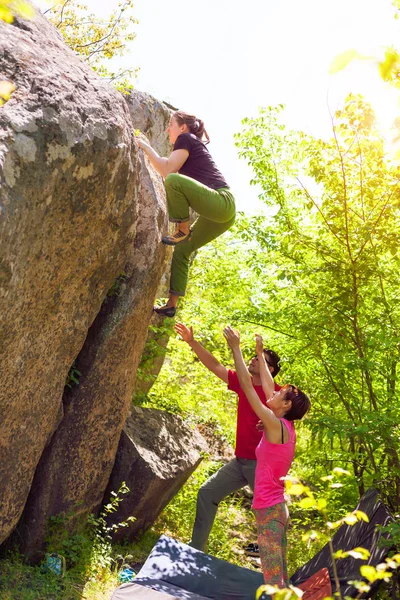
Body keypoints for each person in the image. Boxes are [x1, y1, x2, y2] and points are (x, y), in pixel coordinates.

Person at [174, 321, 281, 553]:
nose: (253, 359)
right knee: (207, 493)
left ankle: (273, 565)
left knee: (267, 514)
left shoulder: (277, 394)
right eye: (253, 357)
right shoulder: (242, 382)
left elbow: (291, 419)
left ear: (269, 369)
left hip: (261, 465)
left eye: (260, 359)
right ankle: (196, 549)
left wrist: (276, 423)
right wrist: (192, 341)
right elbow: (214, 365)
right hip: (240, 462)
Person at [223, 325, 310, 589]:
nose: (272, 392)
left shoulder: (275, 424)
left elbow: (250, 388)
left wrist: (236, 348)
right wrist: (260, 354)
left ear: (285, 406)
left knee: (274, 580)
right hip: (274, 509)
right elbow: (268, 384)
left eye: (279, 395)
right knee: (279, 575)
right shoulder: (284, 426)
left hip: (271, 512)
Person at [137, 111, 236, 318]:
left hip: (222, 201)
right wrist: (147, 149)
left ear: (183, 127)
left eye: (171, 124)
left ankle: (182, 228)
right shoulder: (188, 144)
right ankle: (171, 304)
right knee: (182, 249)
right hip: (224, 215)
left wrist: (146, 147)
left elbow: (169, 172)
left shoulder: (186, 138)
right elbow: (165, 165)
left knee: (173, 181)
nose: (167, 129)